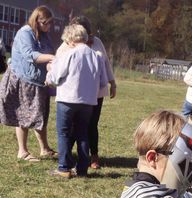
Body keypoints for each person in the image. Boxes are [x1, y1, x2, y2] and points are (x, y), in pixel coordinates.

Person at [46, 24, 107, 178]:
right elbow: (102, 82)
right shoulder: (97, 56)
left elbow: (55, 78)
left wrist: (49, 70)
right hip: (88, 102)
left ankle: (64, 168)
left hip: (67, 100)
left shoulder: (69, 54)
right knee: (83, 134)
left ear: (71, 39)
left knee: (64, 133)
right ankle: (82, 170)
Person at [0, 6, 57, 162]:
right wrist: (52, 58)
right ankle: (22, 151)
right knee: (23, 115)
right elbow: (30, 55)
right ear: (36, 20)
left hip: (39, 83)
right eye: (46, 23)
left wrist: (51, 64)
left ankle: (44, 149)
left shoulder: (44, 35)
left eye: (50, 23)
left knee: (40, 116)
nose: (48, 26)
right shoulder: (25, 33)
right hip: (23, 80)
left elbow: (47, 53)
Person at [70, 15, 117, 170]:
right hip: (78, 92)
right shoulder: (70, 42)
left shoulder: (97, 42)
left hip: (97, 92)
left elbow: (106, 62)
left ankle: (94, 155)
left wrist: (112, 82)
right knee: (73, 124)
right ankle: (69, 156)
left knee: (92, 124)